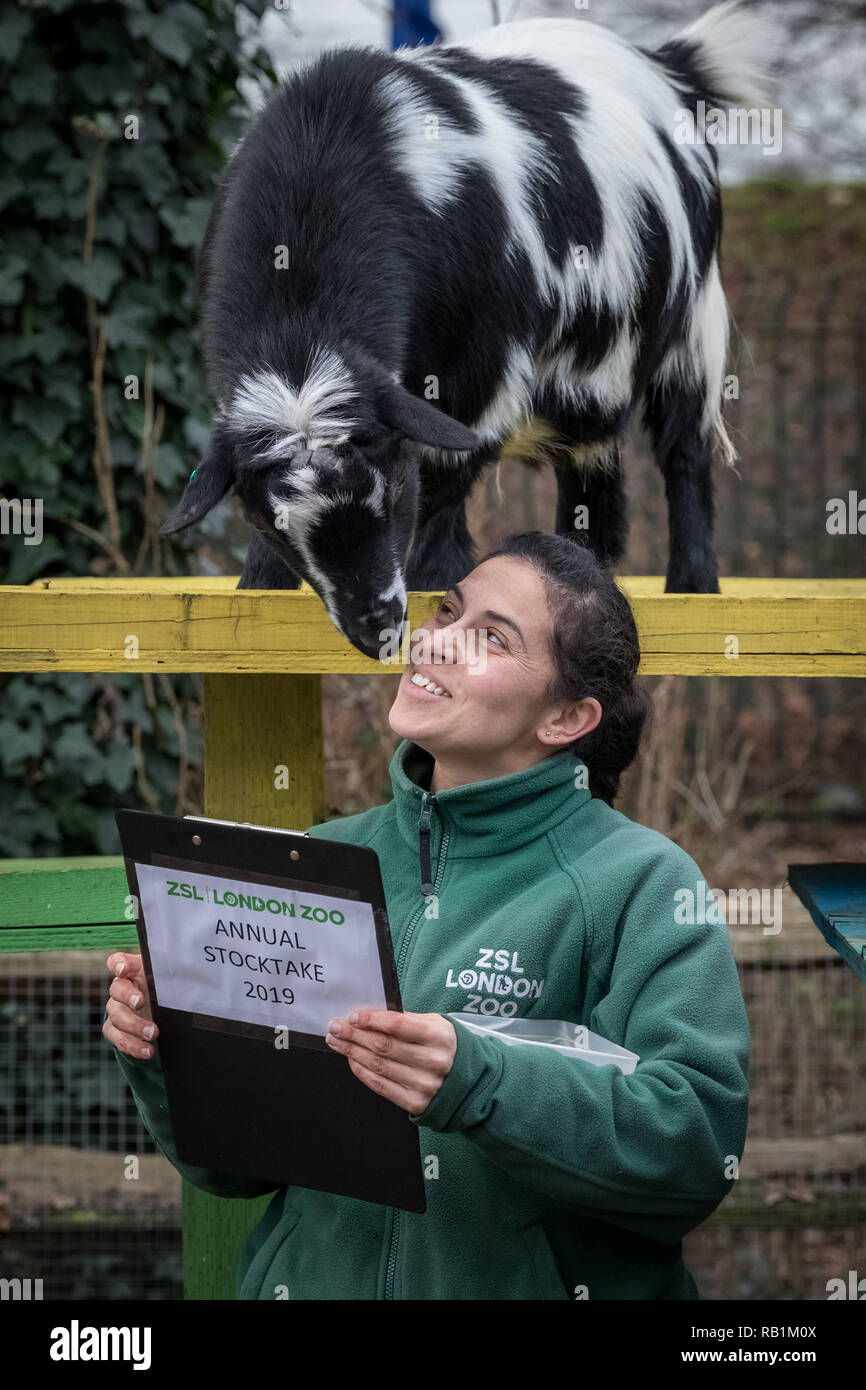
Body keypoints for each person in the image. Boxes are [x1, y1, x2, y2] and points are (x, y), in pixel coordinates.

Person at [104, 530, 750, 1300]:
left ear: (566, 719)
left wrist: (479, 1079)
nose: (435, 642)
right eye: (447, 612)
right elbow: (233, 1169)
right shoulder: (319, 860)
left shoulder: (640, 883)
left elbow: (694, 1154)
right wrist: (168, 1045)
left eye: (490, 638)